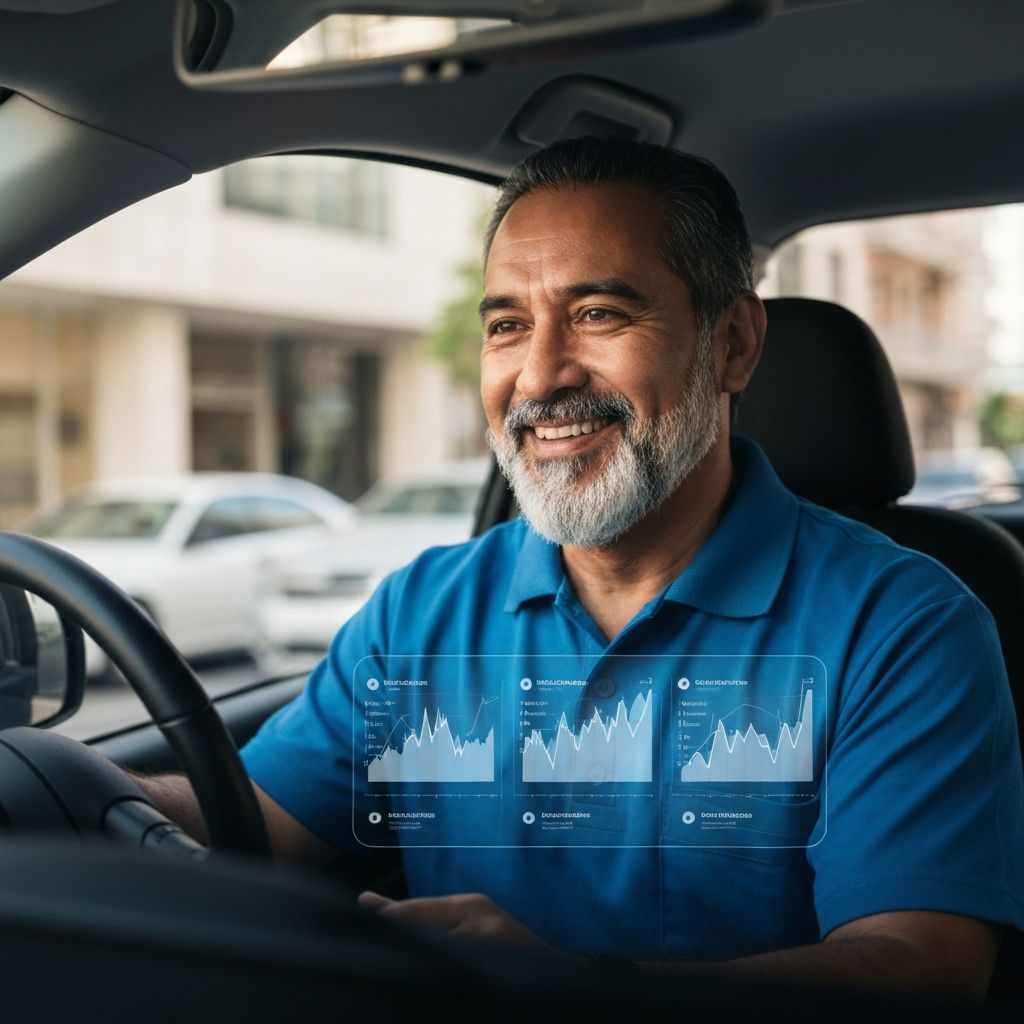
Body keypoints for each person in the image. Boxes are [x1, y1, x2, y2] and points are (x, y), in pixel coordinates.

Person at [139, 137, 1024, 1000]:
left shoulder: (903, 625)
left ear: (734, 345)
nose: (540, 375)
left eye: (600, 313)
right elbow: (255, 817)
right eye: (507, 325)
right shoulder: (422, 610)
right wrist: (53, 781)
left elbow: (922, 968)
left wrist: (568, 991)